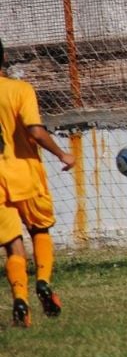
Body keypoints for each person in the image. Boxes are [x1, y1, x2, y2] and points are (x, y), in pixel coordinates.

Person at [0, 38, 75, 327]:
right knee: (39, 228)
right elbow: (35, 131)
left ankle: (20, 299)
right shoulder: (20, 90)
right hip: (25, 173)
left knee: (12, 245)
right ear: (4, 56)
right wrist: (61, 153)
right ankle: (43, 281)